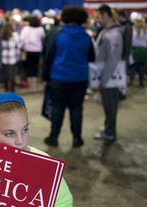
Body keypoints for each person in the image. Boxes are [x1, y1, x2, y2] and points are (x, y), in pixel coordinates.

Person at [42, 6, 95, 148]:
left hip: (59, 78)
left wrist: (45, 77)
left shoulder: (58, 35)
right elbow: (92, 57)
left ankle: (53, 137)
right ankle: (77, 138)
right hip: (80, 78)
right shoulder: (86, 37)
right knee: (77, 109)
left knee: (57, 108)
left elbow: (49, 57)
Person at [93, 4, 123, 142]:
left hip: (109, 77)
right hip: (104, 75)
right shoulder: (106, 31)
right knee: (107, 104)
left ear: (105, 15)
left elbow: (113, 60)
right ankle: (108, 128)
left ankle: (110, 132)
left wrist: (103, 80)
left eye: (98, 17)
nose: (97, 20)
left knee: (110, 105)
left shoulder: (114, 34)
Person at [20, 16, 45, 93]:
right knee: (35, 68)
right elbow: (43, 38)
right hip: (37, 51)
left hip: (28, 51)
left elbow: (21, 39)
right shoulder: (40, 29)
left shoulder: (26, 29)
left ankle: (30, 87)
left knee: (28, 68)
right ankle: (33, 87)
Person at [0, 22, 21, 92]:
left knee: (5, 76)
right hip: (12, 58)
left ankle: (6, 90)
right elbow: (19, 45)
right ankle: (12, 91)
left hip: (4, 58)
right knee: (12, 76)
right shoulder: (15, 35)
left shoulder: (2, 35)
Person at [129, 18, 147, 87]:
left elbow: (130, 41)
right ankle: (141, 82)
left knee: (133, 67)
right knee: (142, 67)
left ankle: (131, 81)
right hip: (143, 50)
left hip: (134, 50)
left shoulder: (133, 31)